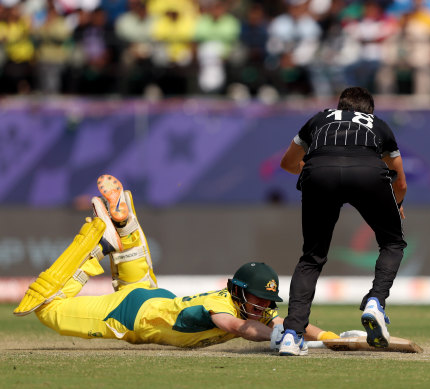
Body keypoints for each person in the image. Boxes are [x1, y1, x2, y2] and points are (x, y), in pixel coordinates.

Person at [14, 175, 337, 350]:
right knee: (47, 307)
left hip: (152, 296)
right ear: (238, 293)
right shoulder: (222, 306)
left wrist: (328, 338)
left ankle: (126, 227)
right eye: (260, 299)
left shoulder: (250, 307)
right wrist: (275, 338)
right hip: (130, 315)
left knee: (135, 282)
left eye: (268, 300)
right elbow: (239, 328)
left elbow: (287, 322)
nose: (265, 306)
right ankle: (97, 245)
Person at [278, 86, 407, 356]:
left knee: (311, 257)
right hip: (368, 173)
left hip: (319, 172)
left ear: (340, 106)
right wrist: (397, 204)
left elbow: (288, 164)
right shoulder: (379, 125)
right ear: (368, 112)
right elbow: (401, 182)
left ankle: (291, 335)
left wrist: (319, 167)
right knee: (392, 243)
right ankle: (376, 301)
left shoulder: (318, 119)